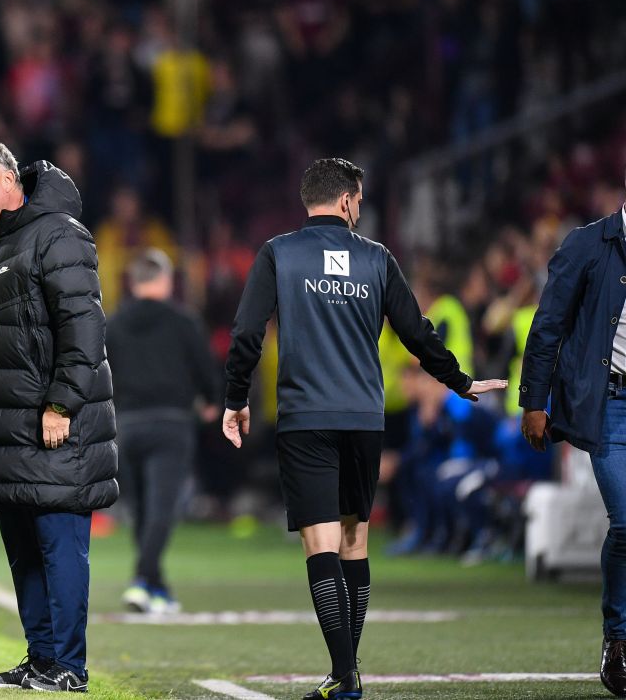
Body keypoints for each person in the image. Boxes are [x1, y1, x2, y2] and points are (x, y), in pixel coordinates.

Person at [220, 158, 506, 700]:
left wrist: (236, 398)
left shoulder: (279, 252)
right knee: (355, 542)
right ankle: (346, 674)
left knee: (321, 545)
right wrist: (461, 382)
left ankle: (345, 676)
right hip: (364, 419)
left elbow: (246, 333)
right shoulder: (376, 259)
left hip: (305, 419)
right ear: (349, 201)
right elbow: (416, 332)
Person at [0, 139, 117, 693]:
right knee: (24, 553)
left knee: (59, 549)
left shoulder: (58, 233)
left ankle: (69, 667)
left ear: (8, 178)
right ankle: (41, 660)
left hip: (54, 427)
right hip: (6, 432)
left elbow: (83, 329)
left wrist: (61, 403)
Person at [518, 198, 626, 697]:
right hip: (609, 404)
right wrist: (534, 401)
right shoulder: (588, 244)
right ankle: (619, 636)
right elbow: (547, 327)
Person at [106, 248, 219, 614]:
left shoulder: (114, 323)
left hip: (127, 425)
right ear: (165, 280)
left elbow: (100, 375)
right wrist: (212, 399)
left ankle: (157, 587)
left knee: (141, 510)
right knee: (161, 510)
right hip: (171, 423)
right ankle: (142, 579)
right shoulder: (182, 321)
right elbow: (206, 369)